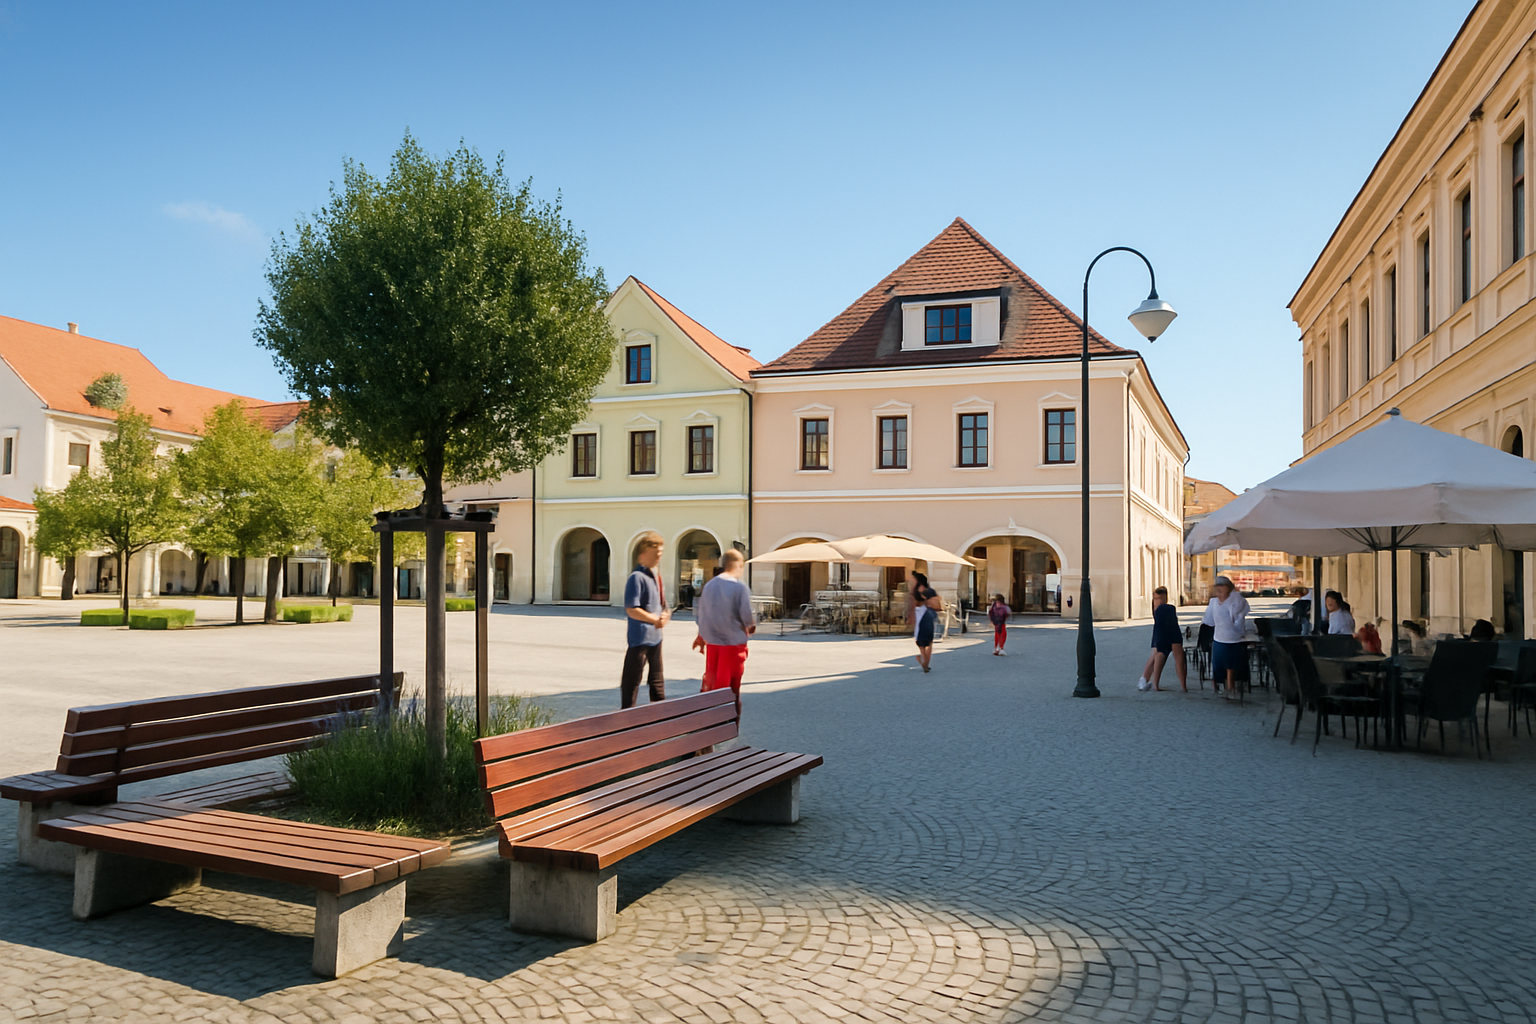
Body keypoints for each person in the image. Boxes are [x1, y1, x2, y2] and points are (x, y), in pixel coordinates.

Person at [690, 549, 756, 720]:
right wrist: (751, 626)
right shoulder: (739, 586)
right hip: (733, 645)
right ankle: (728, 722)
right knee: (732, 687)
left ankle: (711, 719)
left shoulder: (709, 585)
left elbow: (702, 614)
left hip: (713, 644)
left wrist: (701, 636)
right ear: (739, 566)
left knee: (713, 682)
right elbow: (747, 616)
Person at [620, 531, 669, 708]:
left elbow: (665, 606)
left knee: (657, 679)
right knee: (632, 680)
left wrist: (664, 616)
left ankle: (660, 714)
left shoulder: (657, 578)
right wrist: (654, 619)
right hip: (639, 638)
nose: (659, 557)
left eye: (661, 554)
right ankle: (627, 714)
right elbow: (631, 609)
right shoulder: (636, 578)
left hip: (656, 637)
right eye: (656, 554)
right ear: (643, 554)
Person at [1201, 575, 1249, 700]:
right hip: (1219, 637)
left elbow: (1242, 612)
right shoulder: (1213, 602)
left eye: (1222, 586)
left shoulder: (1236, 600)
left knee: (1231, 665)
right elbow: (1209, 620)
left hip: (1233, 638)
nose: (1219, 589)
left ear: (1228, 588)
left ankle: (1231, 688)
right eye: (1217, 586)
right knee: (1217, 664)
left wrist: (1238, 627)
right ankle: (1219, 687)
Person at [1138, 586, 1186, 692]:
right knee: (1156, 656)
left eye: (1159, 599)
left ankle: (1145, 680)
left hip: (1163, 632)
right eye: (1155, 599)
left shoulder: (1165, 609)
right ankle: (1145, 680)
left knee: (1157, 655)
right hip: (1161, 632)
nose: (1157, 602)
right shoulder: (1163, 609)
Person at [909, 569, 941, 673]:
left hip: (924, 616)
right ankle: (925, 663)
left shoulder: (920, 592)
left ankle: (925, 663)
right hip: (924, 616)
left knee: (924, 641)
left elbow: (934, 604)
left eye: (913, 580)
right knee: (925, 642)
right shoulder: (924, 592)